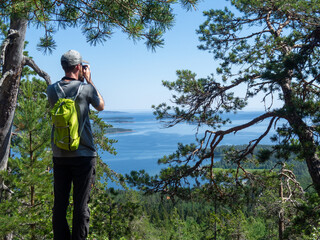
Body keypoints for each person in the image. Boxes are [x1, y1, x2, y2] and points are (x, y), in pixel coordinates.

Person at [47, 50, 104, 240]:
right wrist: (89, 80)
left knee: (60, 205)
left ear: (64, 66)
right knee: (81, 206)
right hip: (84, 155)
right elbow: (101, 105)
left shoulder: (52, 90)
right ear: (79, 67)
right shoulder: (85, 89)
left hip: (60, 154)